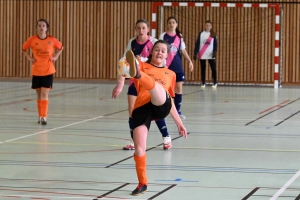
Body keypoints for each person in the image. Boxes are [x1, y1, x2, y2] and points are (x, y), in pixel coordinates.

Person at [119, 40, 188, 196]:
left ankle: (139, 76)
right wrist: (121, 79)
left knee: (156, 87)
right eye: (157, 49)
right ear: (151, 52)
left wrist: (179, 123)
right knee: (139, 148)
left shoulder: (171, 74)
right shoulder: (142, 64)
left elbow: (170, 100)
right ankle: (142, 183)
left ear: (167, 55)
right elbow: (123, 65)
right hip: (142, 107)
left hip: (160, 105)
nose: (159, 52)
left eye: (163, 51)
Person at [112, 19, 172, 150]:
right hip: (135, 80)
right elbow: (124, 62)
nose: (141, 31)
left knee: (154, 111)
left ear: (148, 29)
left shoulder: (154, 42)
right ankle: (134, 141)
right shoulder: (132, 42)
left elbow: (160, 61)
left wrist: (142, 60)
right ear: (135, 29)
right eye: (138, 28)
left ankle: (166, 137)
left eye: (143, 28)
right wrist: (120, 83)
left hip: (150, 80)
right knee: (132, 111)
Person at [22, 19, 63, 125]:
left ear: (46, 28)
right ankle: (40, 116)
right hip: (36, 70)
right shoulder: (32, 40)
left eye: (43, 25)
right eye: (39, 25)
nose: (41, 27)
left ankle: (44, 117)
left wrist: (56, 56)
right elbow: (24, 48)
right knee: (39, 94)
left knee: (45, 93)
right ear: (37, 27)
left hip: (48, 70)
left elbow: (61, 47)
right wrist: (30, 58)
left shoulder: (52, 40)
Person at [159, 16, 194, 120]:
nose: (171, 24)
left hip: (177, 66)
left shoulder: (179, 37)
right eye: (169, 22)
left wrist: (189, 61)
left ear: (176, 24)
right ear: (167, 24)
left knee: (179, 89)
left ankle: (177, 111)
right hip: (167, 67)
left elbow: (183, 51)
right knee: (166, 89)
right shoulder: (163, 36)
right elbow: (159, 50)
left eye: (173, 22)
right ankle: (164, 110)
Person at [193, 20, 218, 88]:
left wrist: (215, 52)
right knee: (203, 69)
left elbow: (215, 44)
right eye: (206, 25)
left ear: (211, 26)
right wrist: (195, 53)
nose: (208, 26)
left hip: (210, 54)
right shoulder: (201, 34)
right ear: (205, 26)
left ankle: (215, 82)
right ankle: (203, 82)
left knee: (213, 68)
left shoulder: (213, 34)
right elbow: (197, 43)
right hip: (202, 53)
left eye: (209, 25)